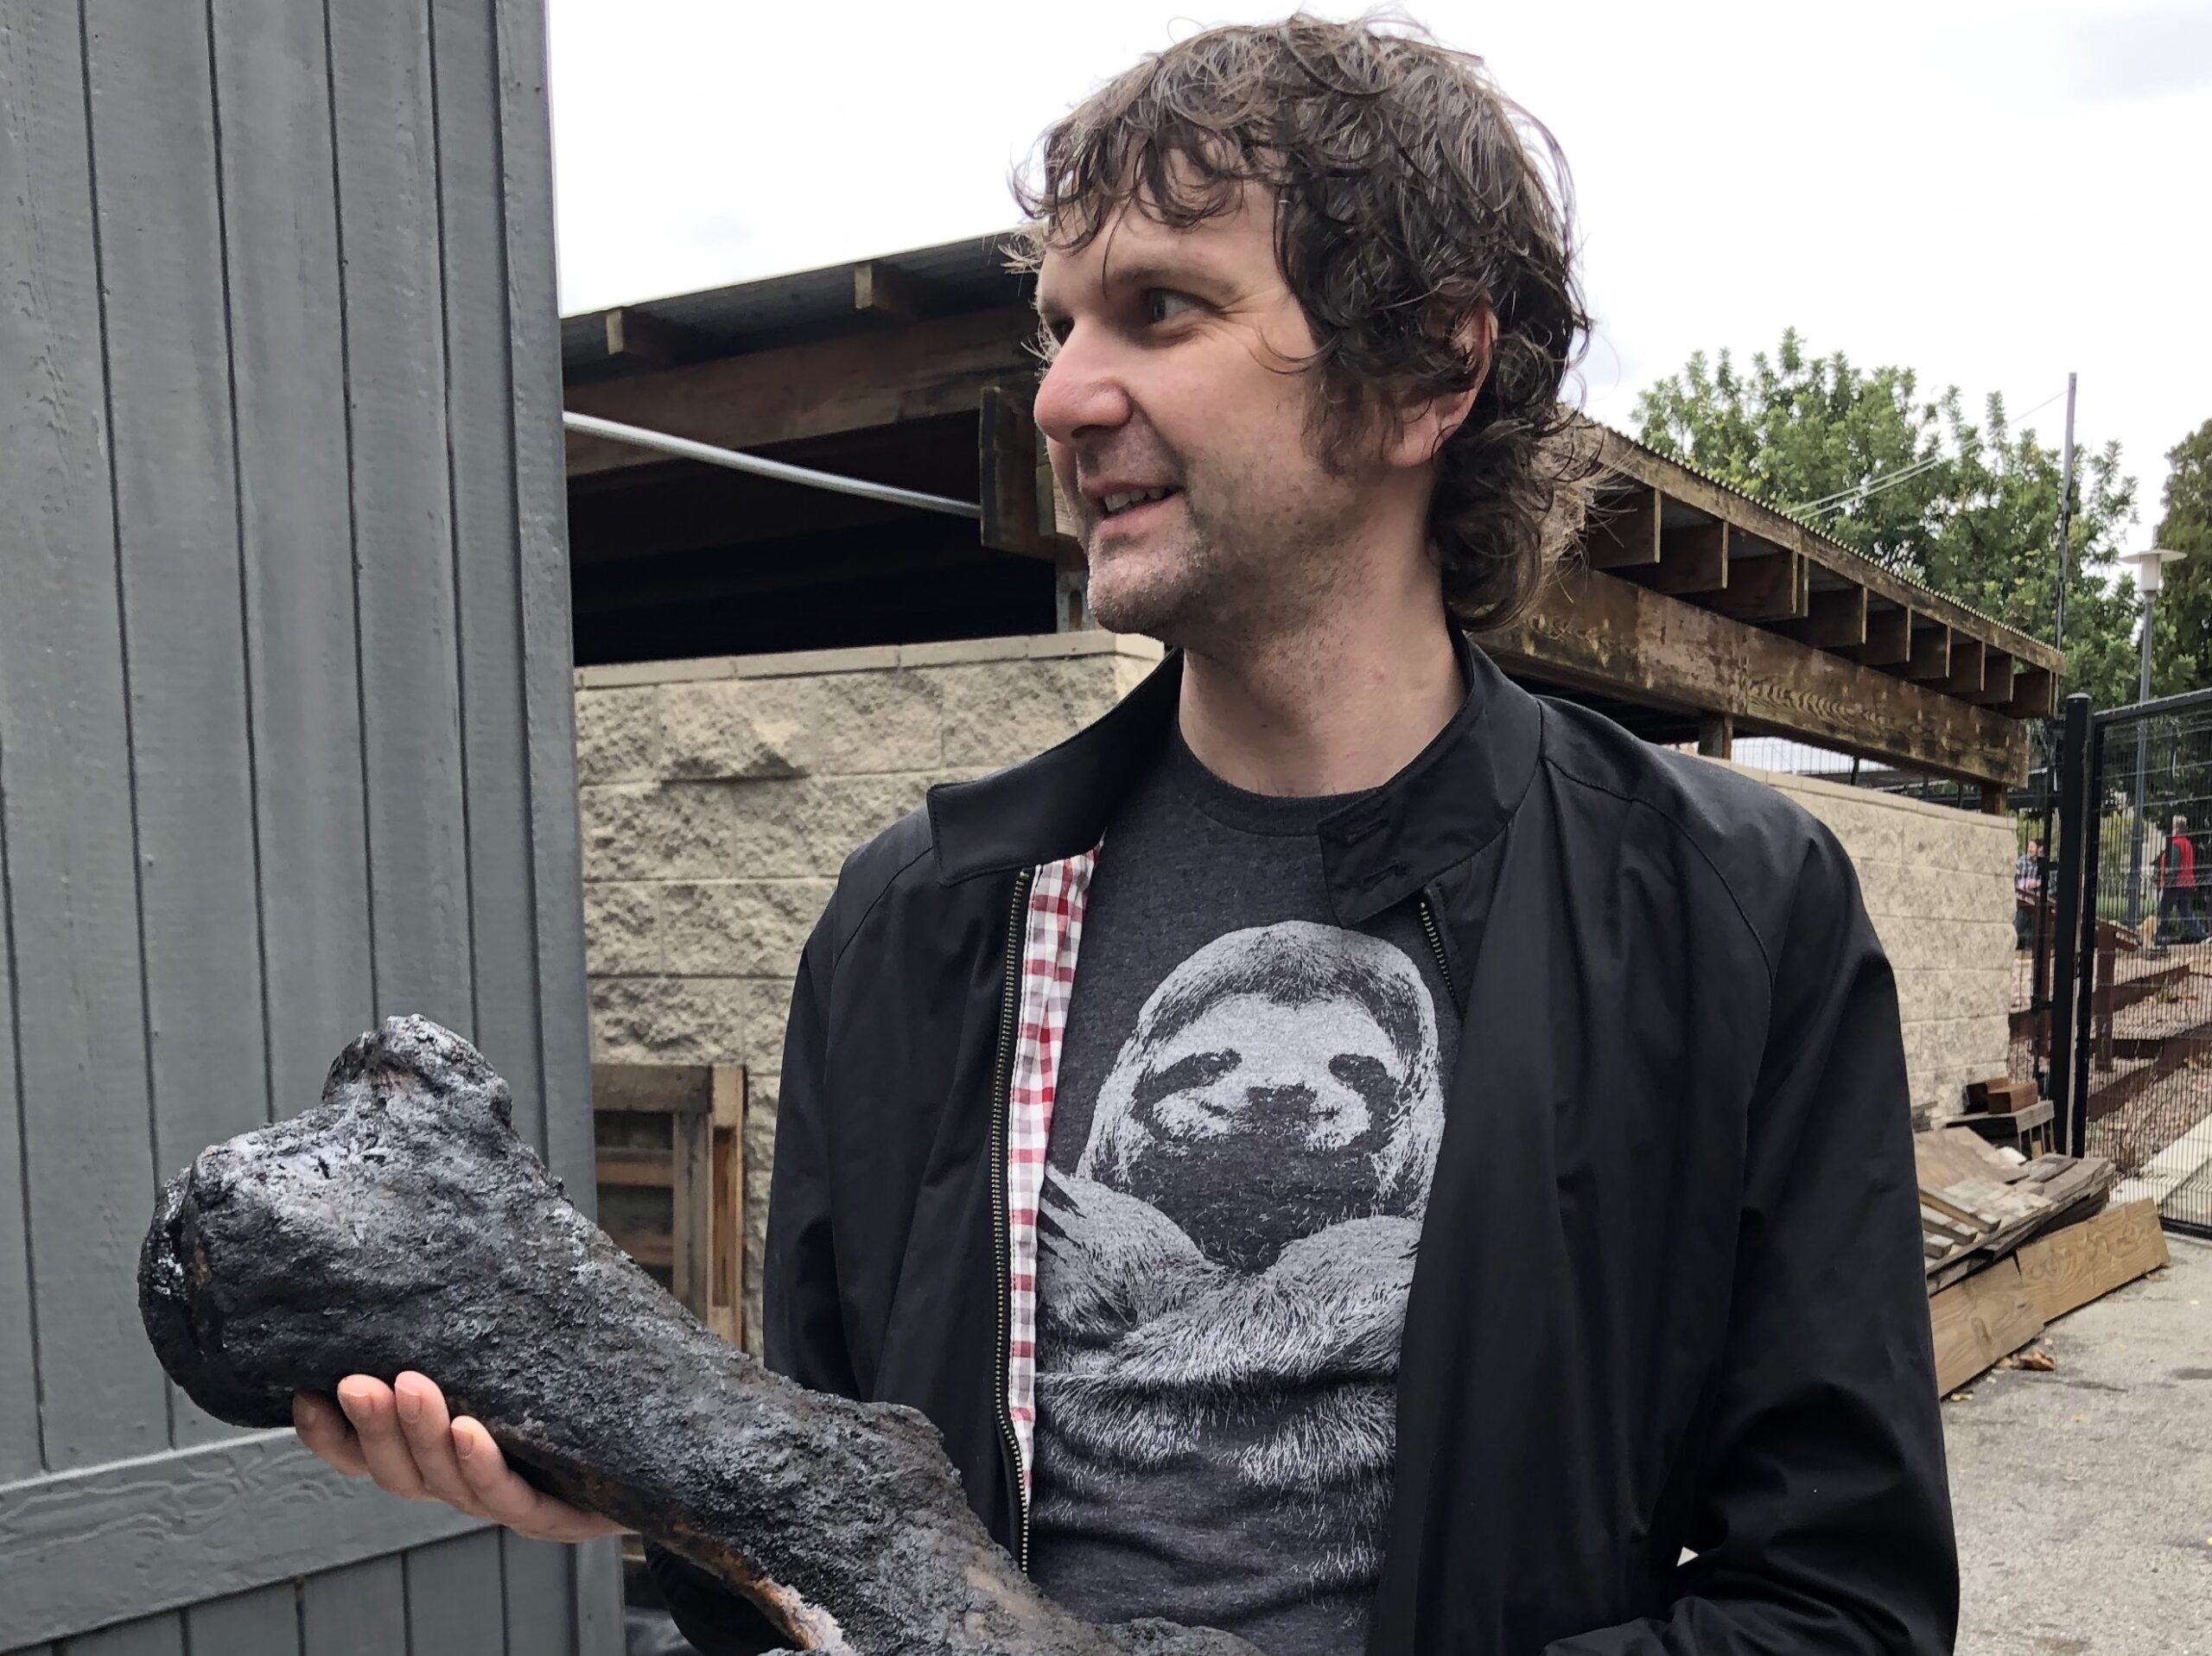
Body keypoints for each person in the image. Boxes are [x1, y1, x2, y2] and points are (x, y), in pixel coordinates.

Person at [292, 17, 1957, 1653]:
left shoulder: (1723, 911)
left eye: (1160, 309)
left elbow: (1838, 1605)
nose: (1064, 397)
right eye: (1059, 326)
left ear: (1431, 370)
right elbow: (810, 1565)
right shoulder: (922, 921)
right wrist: (630, 1473)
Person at [2158, 814, 2201, 945]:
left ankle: (2161, 936)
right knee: (2186, 911)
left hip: (2175, 883)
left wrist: (2167, 880)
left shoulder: (2175, 844)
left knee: (2164, 910)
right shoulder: (2187, 844)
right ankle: (2201, 934)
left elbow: (2173, 865)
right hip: (2187, 883)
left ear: (2176, 828)